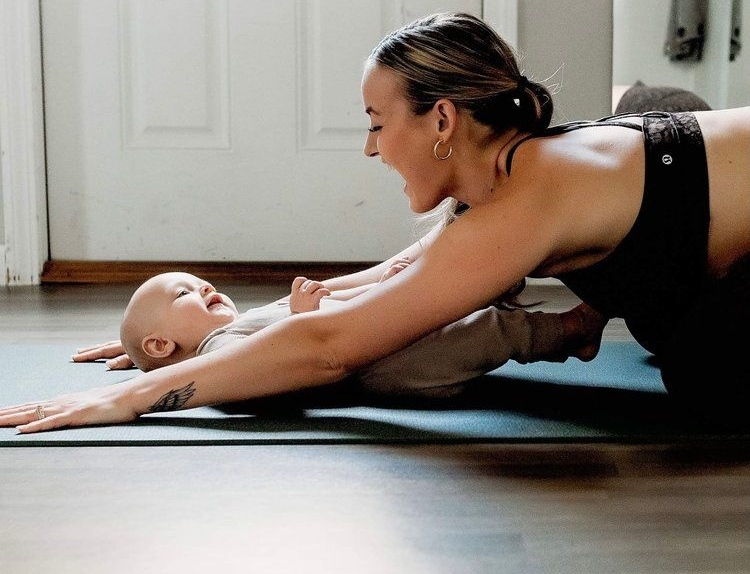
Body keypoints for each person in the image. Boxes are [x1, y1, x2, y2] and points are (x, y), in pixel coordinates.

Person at [2, 11, 749, 433]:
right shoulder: (502, 177)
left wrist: (127, 399)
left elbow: (329, 347)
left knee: (702, 373)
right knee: (675, 333)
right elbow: (392, 277)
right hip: (699, 195)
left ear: (442, 121)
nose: (369, 147)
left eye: (375, 122)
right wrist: (175, 343)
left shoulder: (523, 204)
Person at [113, 269, 605, 400]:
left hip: (385, 333)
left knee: (457, 310)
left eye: (203, 283)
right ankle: (571, 331)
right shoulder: (219, 352)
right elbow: (262, 380)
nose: (204, 286)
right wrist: (299, 321)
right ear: (163, 344)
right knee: (484, 332)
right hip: (397, 365)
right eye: (184, 294)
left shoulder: (230, 329)